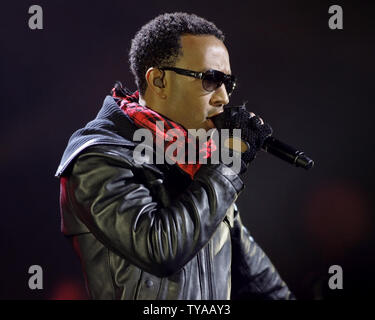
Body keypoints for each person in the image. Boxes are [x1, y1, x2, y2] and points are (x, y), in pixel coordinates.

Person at [55, 12, 295, 300]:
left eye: (227, 83)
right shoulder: (97, 158)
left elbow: (259, 282)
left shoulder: (202, 164)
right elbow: (160, 250)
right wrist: (228, 160)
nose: (224, 98)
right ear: (158, 81)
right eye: (210, 80)